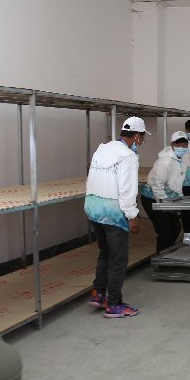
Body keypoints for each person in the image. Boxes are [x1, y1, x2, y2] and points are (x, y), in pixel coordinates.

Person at [84, 116, 148, 318]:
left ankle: (98, 294)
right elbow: (127, 189)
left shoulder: (102, 149)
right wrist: (132, 215)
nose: (142, 142)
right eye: (143, 138)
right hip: (112, 211)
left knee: (105, 253)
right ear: (137, 137)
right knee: (118, 259)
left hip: (93, 206)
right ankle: (114, 304)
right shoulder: (129, 156)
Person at [140, 131, 189, 253]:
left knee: (176, 227)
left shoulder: (181, 159)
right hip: (152, 199)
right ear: (172, 145)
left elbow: (177, 181)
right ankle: (160, 258)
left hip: (167, 198)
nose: (182, 147)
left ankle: (167, 253)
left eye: (184, 145)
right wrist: (165, 205)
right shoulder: (165, 161)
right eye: (178, 144)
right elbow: (157, 185)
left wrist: (178, 198)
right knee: (165, 230)